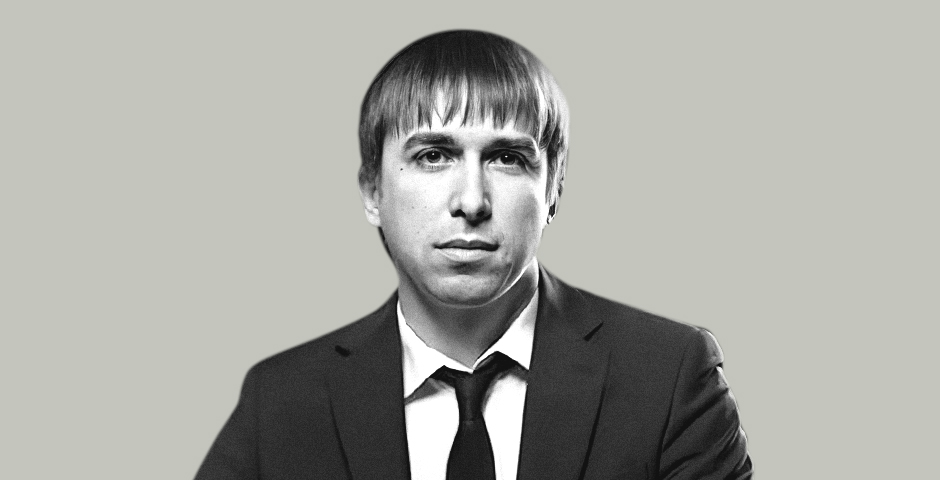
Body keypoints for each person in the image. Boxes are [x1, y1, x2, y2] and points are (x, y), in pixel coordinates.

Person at [196, 30, 752, 480]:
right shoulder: (282, 400)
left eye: (507, 158)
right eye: (433, 155)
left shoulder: (670, 376)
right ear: (372, 192)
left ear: (553, 190)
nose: (471, 201)